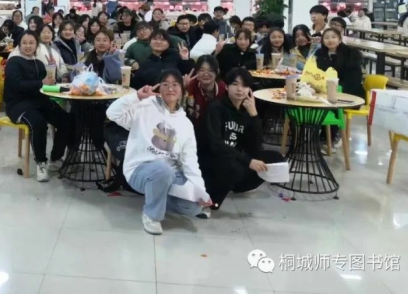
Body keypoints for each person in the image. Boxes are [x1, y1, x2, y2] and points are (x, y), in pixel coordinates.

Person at [107, 70, 213, 234]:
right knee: (162, 170)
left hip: (171, 173)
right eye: (165, 84)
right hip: (140, 169)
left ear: (182, 91)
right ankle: (152, 215)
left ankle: (156, 196)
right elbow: (112, 113)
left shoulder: (185, 123)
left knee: (193, 207)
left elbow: (190, 161)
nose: (170, 88)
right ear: (159, 88)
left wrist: (200, 191)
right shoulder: (144, 107)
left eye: (175, 84)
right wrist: (137, 97)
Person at [197, 68, 284, 210]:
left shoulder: (246, 112)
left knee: (275, 158)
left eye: (244, 86)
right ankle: (211, 202)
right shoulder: (215, 108)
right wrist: (248, 161)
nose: (240, 89)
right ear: (226, 86)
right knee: (233, 167)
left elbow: (255, 148)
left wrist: (254, 116)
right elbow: (215, 145)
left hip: (234, 161)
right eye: (235, 84)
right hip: (212, 162)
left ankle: (234, 185)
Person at [4, 31, 73, 182]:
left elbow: (45, 86)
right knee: (38, 123)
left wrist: (54, 79)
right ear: (19, 44)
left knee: (66, 120)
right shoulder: (13, 61)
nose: (28, 46)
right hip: (18, 105)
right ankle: (41, 162)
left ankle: (55, 157)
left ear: (37, 45)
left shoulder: (39, 63)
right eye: (24, 43)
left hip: (40, 102)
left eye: (31, 43)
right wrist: (42, 83)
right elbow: (17, 85)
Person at [315, 28, 364, 148]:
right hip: (326, 91)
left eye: (333, 37)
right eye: (326, 38)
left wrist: (337, 90)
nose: (330, 40)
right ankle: (319, 135)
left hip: (349, 92)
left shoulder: (351, 54)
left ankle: (331, 138)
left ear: (340, 39)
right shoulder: (320, 54)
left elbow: (354, 80)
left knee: (332, 103)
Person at [183, 55, 227, 129]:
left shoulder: (223, 88)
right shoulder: (190, 86)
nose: (206, 74)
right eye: (202, 70)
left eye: (210, 70)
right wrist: (182, 89)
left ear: (217, 71)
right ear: (196, 72)